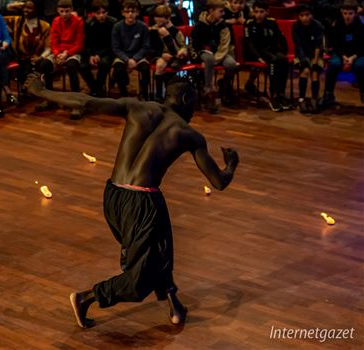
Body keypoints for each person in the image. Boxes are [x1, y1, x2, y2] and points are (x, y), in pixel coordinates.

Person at [24, 73, 239, 329]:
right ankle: (86, 297)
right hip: (142, 203)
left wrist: (42, 91)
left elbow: (85, 101)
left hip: (113, 195)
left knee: (161, 247)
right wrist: (231, 165)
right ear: (184, 99)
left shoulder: (137, 107)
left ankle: (174, 305)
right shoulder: (188, 134)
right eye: (194, 103)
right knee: (140, 279)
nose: (194, 110)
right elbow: (218, 182)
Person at [36, 0, 84, 118]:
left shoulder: (78, 21)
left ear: (71, 10)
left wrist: (66, 54)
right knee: (44, 65)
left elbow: (79, 44)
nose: (64, 14)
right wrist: (57, 54)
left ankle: (76, 102)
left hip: (72, 52)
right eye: (62, 11)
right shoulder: (56, 21)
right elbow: (53, 42)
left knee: (72, 66)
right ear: (58, 10)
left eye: (67, 11)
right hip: (58, 52)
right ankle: (49, 98)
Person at [191, 0, 238, 111]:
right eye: (220, 11)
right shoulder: (199, 26)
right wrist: (202, 59)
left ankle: (225, 87)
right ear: (211, 11)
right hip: (203, 53)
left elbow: (224, 45)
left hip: (219, 53)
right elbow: (195, 46)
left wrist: (215, 60)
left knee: (231, 64)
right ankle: (208, 91)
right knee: (208, 58)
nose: (223, 14)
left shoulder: (223, 26)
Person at [243, 0, 290, 111]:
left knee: (283, 60)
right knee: (273, 61)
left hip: (270, 50)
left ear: (267, 12)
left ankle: (281, 94)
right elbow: (249, 43)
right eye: (256, 12)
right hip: (256, 52)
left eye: (261, 12)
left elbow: (280, 38)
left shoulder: (272, 22)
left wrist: (283, 51)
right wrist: (258, 57)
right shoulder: (249, 23)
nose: (258, 14)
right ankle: (273, 95)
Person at [323, 0, 364, 106]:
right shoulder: (337, 25)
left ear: (355, 13)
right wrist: (343, 56)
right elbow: (335, 44)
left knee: (361, 66)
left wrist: (353, 57)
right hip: (341, 53)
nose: (347, 16)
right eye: (345, 13)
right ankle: (328, 94)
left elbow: (362, 46)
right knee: (333, 64)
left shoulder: (361, 26)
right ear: (341, 12)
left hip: (357, 54)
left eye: (350, 13)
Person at [3, 0, 51, 87]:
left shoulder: (45, 26)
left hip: (37, 58)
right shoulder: (16, 21)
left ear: (36, 10)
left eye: (29, 8)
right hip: (20, 58)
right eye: (24, 7)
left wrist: (40, 57)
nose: (26, 10)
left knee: (42, 65)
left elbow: (48, 48)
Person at [111, 0, 151, 99]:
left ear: (137, 13)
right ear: (122, 13)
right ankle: (124, 94)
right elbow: (116, 48)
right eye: (127, 11)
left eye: (133, 11)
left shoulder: (143, 27)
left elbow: (145, 46)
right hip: (123, 55)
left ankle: (143, 93)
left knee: (145, 69)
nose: (130, 14)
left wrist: (135, 59)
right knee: (118, 69)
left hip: (138, 55)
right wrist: (127, 60)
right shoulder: (117, 27)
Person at [150, 4, 189, 101]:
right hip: (159, 55)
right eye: (156, 17)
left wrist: (180, 52)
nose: (158, 19)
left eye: (161, 17)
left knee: (181, 53)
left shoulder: (175, 31)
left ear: (167, 18)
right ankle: (159, 95)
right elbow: (149, 48)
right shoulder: (151, 30)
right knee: (160, 65)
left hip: (175, 54)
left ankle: (170, 92)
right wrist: (161, 55)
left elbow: (183, 45)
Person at [291, 4, 324, 114]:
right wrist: (303, 59)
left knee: (314, 73)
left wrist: (314, 60)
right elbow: (298, 45)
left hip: (316, 54)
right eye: (302, 15)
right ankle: (301, 99)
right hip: (301, 54)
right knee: (305, 71)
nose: (305, 18)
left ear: (312, 15)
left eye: (307, 15)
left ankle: (314, 99)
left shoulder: (318, 26)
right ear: (298, 16)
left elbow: (318, 45)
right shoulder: (295, 26)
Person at [80, 0, 116, 97]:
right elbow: (86, 43)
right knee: (82, 66)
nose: (101, 15)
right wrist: (91, 55)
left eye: (104, 12)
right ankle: (96, 88)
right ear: (93, 13)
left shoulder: (113, 23)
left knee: (104, 63)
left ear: (107, 12)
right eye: (98, 13)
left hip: (108, 51)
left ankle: (97, 89)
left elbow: (113, 44)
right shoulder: (88, 23)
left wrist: (99, 55)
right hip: (92, 51)